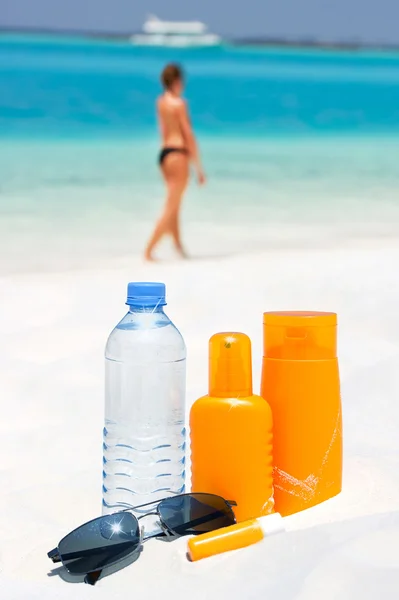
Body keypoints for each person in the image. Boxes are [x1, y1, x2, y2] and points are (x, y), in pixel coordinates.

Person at [144, 63, 206, 261]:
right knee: (171, 207)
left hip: (164, 154)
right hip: (179, 153)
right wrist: (198, 167)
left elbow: (164, 130)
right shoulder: (180, 104)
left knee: (175, 205)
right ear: (177, 81)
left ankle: (179, 248)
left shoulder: (160, 102)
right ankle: (149, 250)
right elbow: (188, 134)